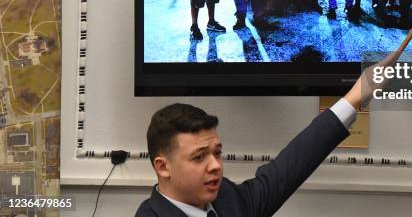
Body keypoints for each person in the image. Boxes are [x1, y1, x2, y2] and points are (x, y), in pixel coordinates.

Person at [135, 55, 396, 217]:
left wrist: (357, 94)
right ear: (163, 166)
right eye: (199, 157)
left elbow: (289, 168)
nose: (215, 166)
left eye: (217, 153)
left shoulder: (227, 199)